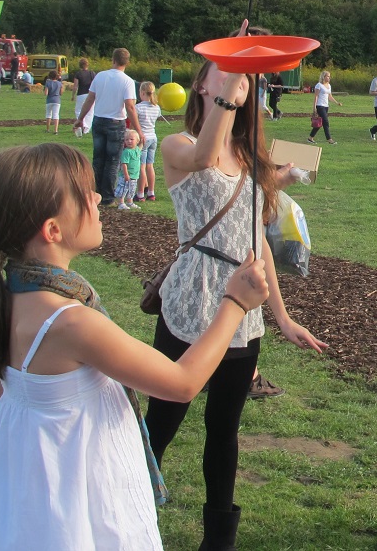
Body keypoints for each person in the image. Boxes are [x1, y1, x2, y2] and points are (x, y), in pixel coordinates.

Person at [0, 143, 270, 551]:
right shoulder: (71, 322)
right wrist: (234, 304)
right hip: (82, 506)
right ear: (53, 230)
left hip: (32, 500)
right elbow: (182, 383)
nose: (96, 198)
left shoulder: (6, 300)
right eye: (84, 194)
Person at [145, 40, 326, 549]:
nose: (231, 82)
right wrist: (229, 87)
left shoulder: (251, 156)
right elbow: (205, 155)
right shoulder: (176, 145)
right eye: (219, 74)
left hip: (243, 311)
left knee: (224, 430)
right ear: (202, 84)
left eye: (238, 78)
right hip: (191, 302)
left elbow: (257, 244)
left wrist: (283, 318)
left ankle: (218, 538)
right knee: (161, 421)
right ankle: (119, 505)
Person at [74, 48, 140, 202]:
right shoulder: (128, 81)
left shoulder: (100, 76)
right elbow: (129, 106)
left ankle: (96, 192)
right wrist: (138, 129)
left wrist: (81, 118)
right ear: (127, 62)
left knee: (98, 159)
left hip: (98, 120)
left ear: (113, 59)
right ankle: (108, 196)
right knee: (112, 161)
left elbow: (90, 99)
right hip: (116, 123)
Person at [134, 81, 160, 203]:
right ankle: (151, 192)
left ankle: (140, 193)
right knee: (150, 166)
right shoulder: (156, 107)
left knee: (141, 167)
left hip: (143, 138)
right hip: (153, 137)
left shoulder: (138, 107)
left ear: (142, 92)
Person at [308, 70, 340, 144]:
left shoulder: (329, 86)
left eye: (329, 76)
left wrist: (336, 102)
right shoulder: (319, 85)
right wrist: (314, 108)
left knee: (320, 123)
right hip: (320, 106)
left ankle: (310, 138)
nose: (329, 78)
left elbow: (329, 96)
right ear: (324, 77)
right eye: (328, 76)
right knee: (326, 122)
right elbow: (316, 96)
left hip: (326, 106)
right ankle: (329, 139)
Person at [114, 129, 142, 210]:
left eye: (131, 139)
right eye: (127, 140)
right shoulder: (126, 152)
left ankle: (130, 202)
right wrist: (126, 174)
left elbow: (141, 147)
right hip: (126, 175)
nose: (129, 141)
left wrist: (143, 141)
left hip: (134, 175)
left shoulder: (136, 149)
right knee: (123, 189)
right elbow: (124, 164)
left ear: (137, 141)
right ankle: (121, 203)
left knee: (131, 189)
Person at [71, 58, 95, 137]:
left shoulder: (78, 74)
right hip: (90, 94)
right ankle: (87, 128)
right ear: (87, 64)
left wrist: (73, 95)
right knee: (90, 111)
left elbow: (75, 86)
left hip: (81, 94)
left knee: (78, 110)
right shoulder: (92, 73)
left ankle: (81, 123)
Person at [42, 69, 63, 134]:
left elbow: (46, 93)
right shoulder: (59, 83)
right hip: (57, 100)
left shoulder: (48, 83)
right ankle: (56, 130)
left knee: (48, 114)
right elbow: (61, 93)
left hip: (49, 100)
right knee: (56, 115)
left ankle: (48, 129)